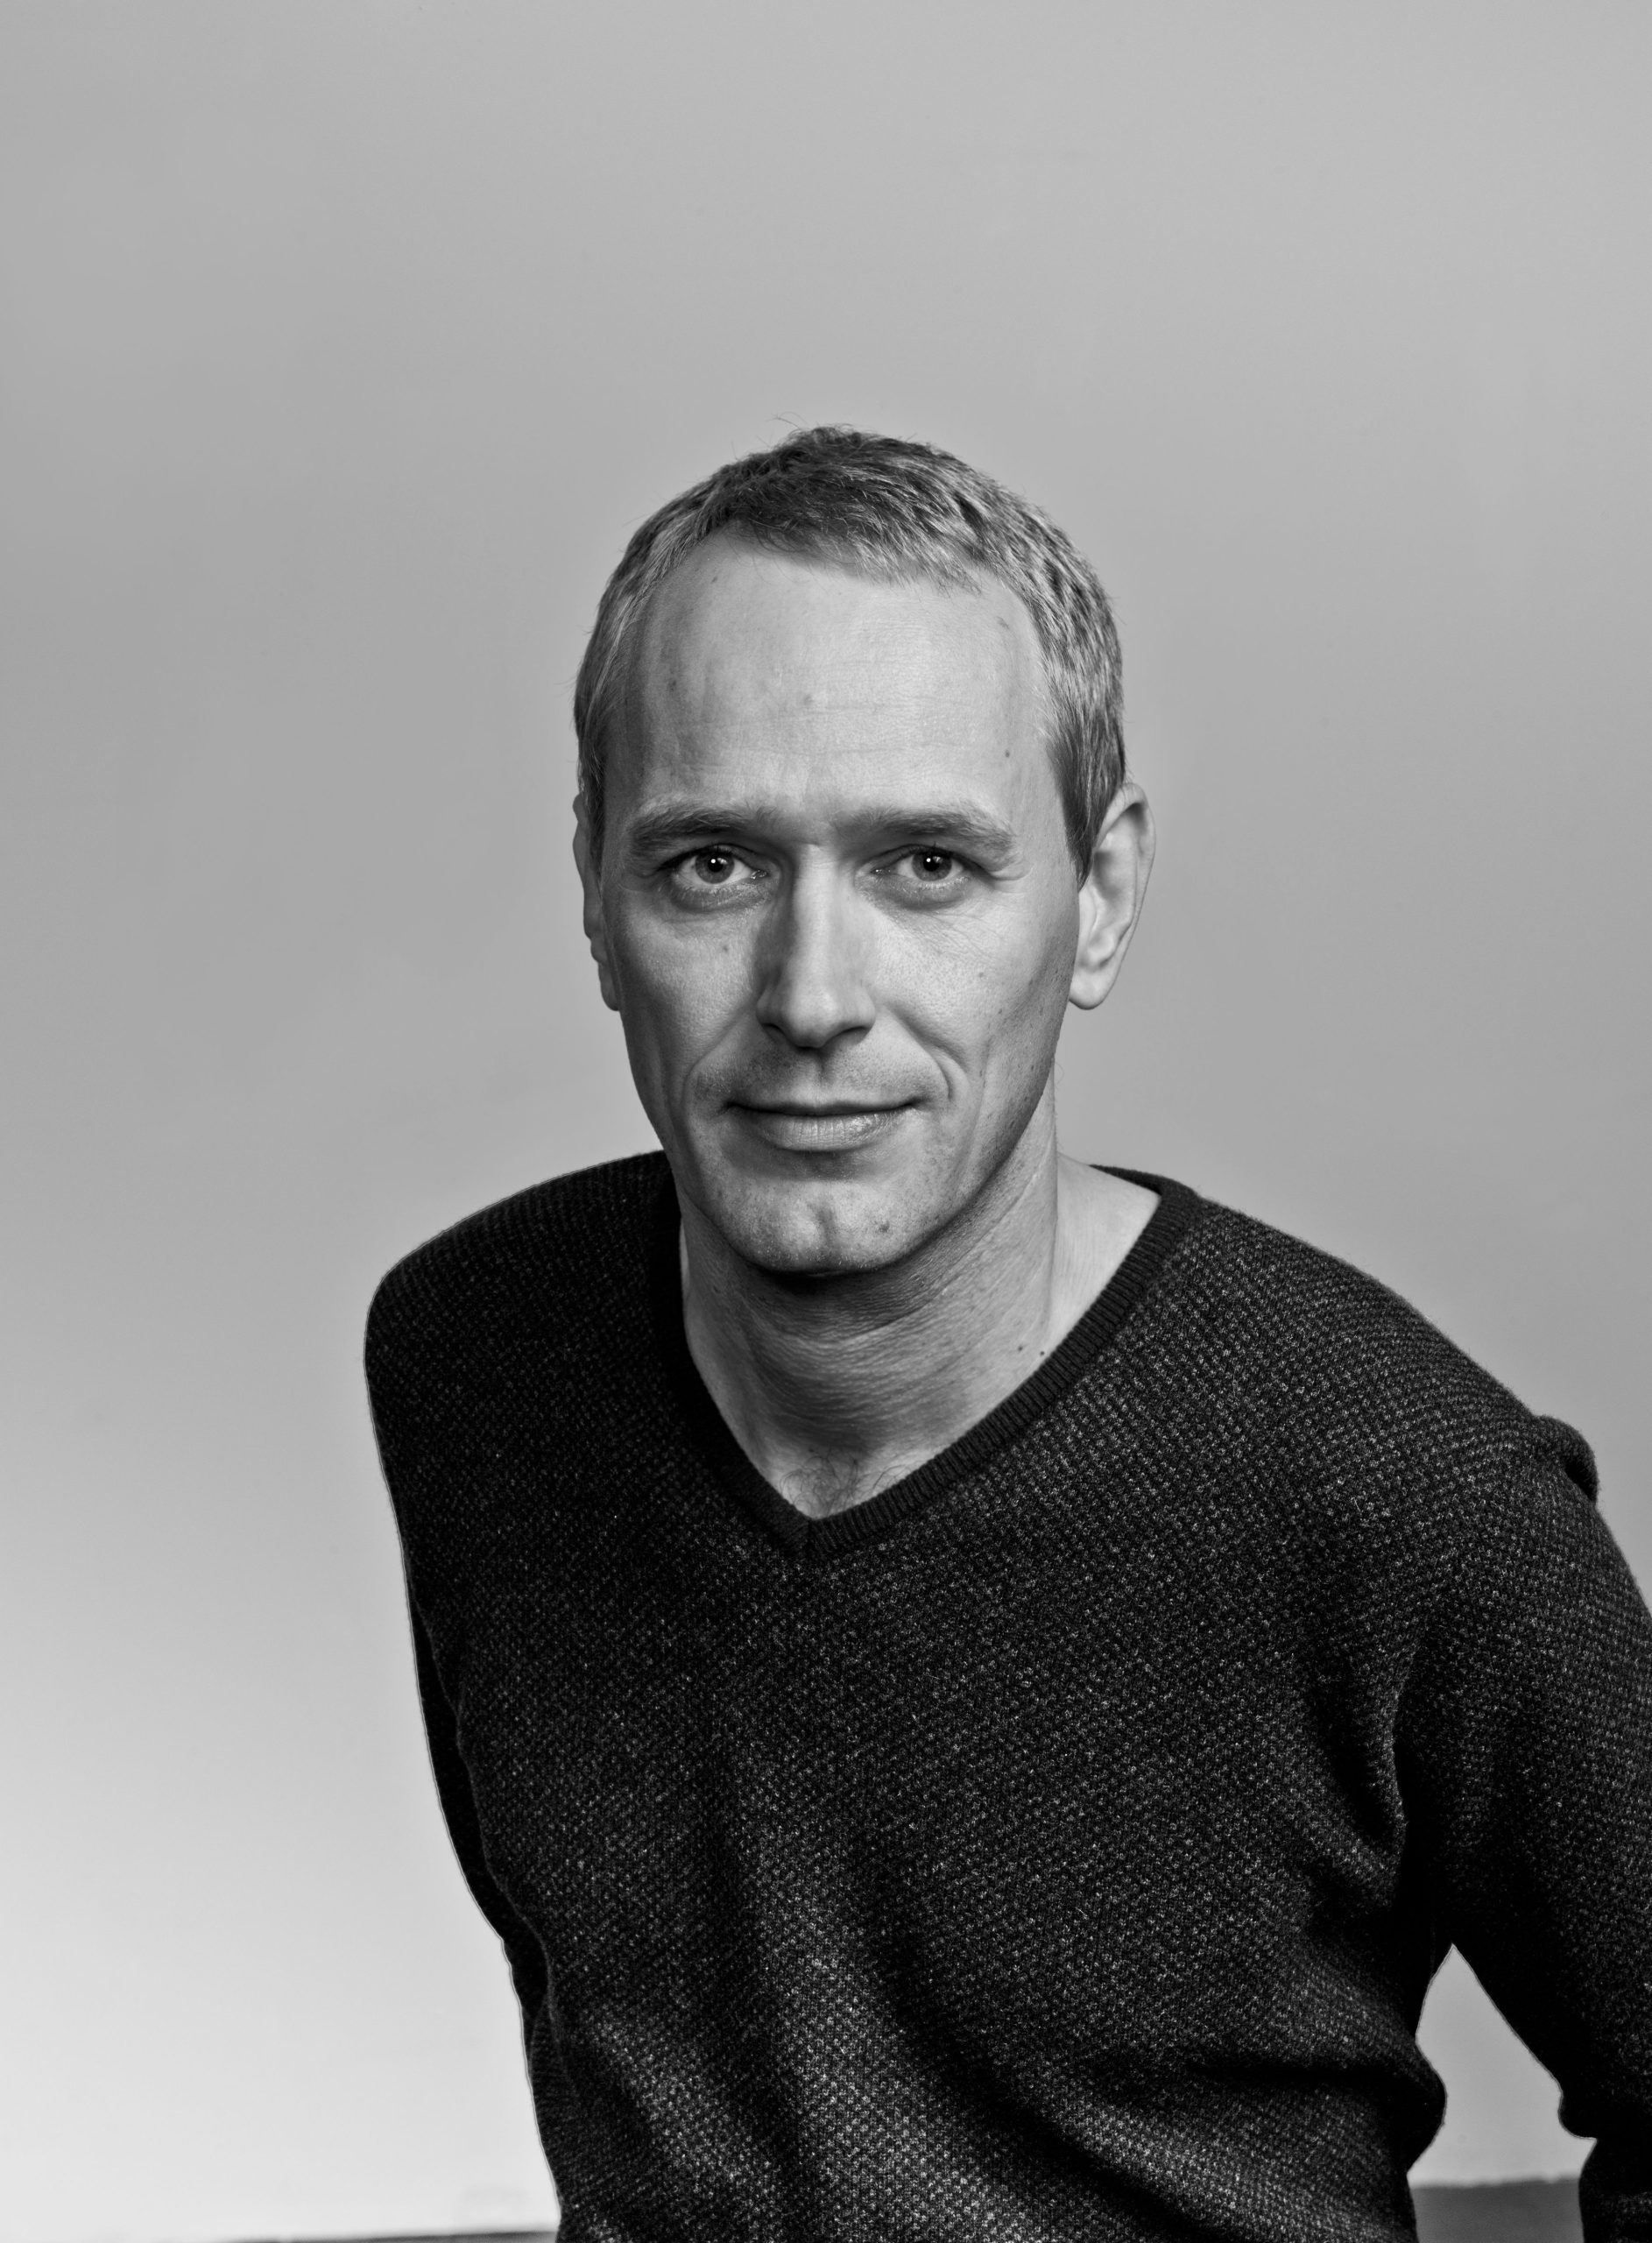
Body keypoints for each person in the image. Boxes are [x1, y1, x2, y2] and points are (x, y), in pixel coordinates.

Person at [365, 426, 1652, 2241]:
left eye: (926, 865)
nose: (814, 995)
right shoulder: (474, 1359)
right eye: (714, 863)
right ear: (593, 883)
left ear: (1098, 896)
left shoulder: (1406, 1497)